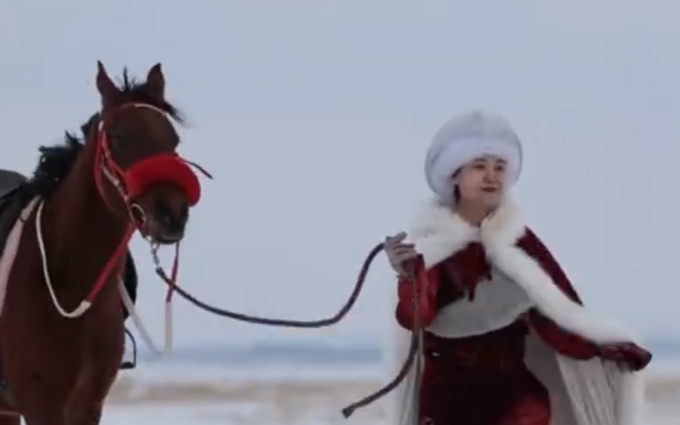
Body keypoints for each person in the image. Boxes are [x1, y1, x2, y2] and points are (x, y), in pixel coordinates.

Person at [382, 111, 652, 425]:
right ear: (454, 174)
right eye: (479, 166)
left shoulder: (518, 240)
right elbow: (415, 317)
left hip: (515, 400)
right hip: (448, 400)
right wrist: (409, 275)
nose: (491, 176)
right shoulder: (429, 244)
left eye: (499, 167)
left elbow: (558, 314)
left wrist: (605, 348)